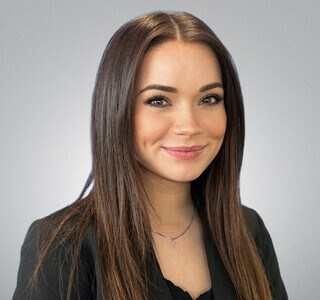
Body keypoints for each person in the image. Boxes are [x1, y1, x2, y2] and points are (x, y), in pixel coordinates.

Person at [13, 11, 288, 300]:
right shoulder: (60, 244)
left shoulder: (249, 230)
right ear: (116, 109)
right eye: (158, 100)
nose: (190, 126)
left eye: (209, 99)